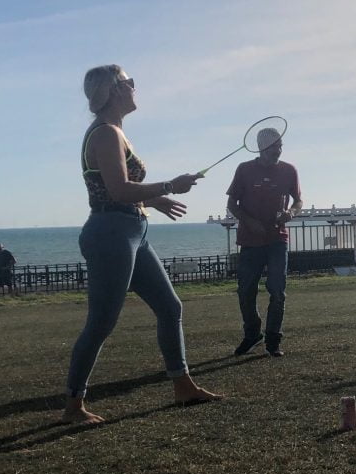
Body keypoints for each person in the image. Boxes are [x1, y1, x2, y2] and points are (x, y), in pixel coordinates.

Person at [65, 65, 219, 425]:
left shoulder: (115, 132)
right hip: (111, 234)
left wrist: (153, 201)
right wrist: (169, 186)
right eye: (129, 82)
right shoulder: (106, 133)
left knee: (170, 306)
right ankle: (73, 406)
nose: (135, 87)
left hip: (132, 231)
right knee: (101, 322)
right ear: (113, 90)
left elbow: (116, 191)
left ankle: (183, 386)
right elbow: (118, 190)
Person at [227, 127, 302, 357]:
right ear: (262, 147)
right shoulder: (244, 170)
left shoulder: (289, 170)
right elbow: (231, 205)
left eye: (280, 146)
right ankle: (252, 334)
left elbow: (298, 201)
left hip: (277, 239)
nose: (278, 150)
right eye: (274, 146)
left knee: (277, 290)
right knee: (245, 291)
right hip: (250, 241)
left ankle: (273, 339)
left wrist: (291, 213)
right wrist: (250, 222)